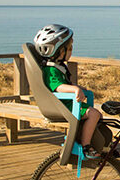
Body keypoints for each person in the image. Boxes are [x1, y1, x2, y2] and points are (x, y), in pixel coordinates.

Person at [34, 24, 103, 158]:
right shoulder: (51, 70)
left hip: (68, 104)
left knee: (97, 116)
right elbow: (58, 87)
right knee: (93, 115)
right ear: (58, 51)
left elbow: (63, 84)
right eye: (69, 48)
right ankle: (86, 146)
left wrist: (76, 87)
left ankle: (100, 144)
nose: (71, 51)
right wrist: (74, 89)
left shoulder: (58, 67)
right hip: (65, 106)